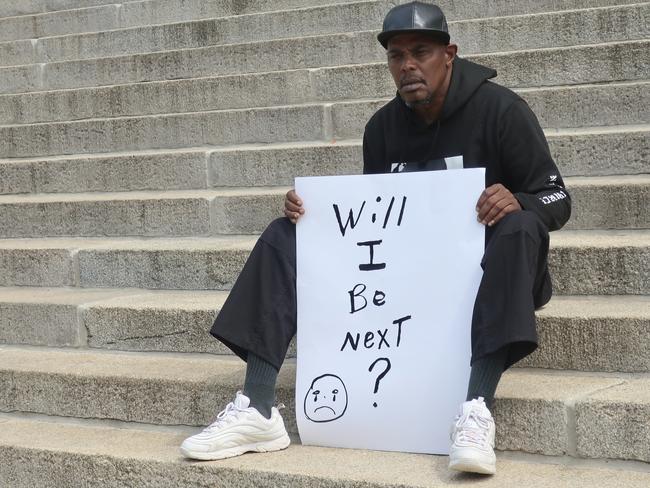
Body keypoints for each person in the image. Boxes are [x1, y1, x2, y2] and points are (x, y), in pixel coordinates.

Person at [180, 1, 571, 475]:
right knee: (288, 234)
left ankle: (475, 408)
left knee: (520, 224)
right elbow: (374, 220)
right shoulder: (382, 128)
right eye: (396, 55)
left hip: (497, 270)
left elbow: (556, 198)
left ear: (449, 53)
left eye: (420, 52)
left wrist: (520, 202)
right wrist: (315, 214)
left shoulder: (502, 110)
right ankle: (258, 406)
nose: (407, 66)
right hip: (409, 275)